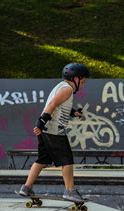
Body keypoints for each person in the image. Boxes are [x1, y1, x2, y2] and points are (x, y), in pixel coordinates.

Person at [18, 63, 90, 202]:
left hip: (46, 130)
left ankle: (26, 188)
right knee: (67, 160)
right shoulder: (67, 89)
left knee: (43, 159)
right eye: (83, 81)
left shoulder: (61, 86)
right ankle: (70, 191)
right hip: (54, 130)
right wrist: (41, 122)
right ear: (75, 78)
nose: (83, 84)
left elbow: (59, 105)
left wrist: (74, 112)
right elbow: (52, 105)